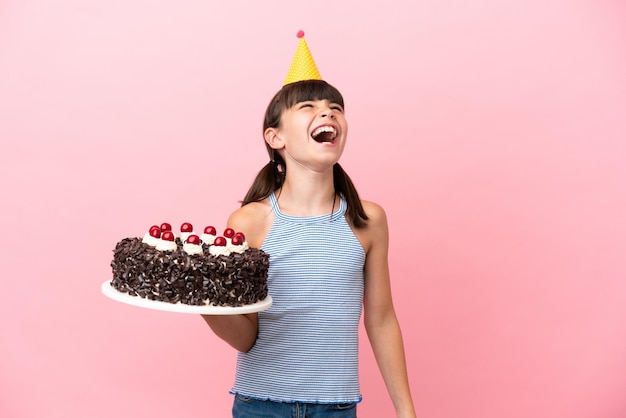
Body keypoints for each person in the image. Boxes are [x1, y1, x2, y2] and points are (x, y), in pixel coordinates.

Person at [203, 33, 416, 418]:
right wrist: (206, 305)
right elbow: (246, 336)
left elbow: (381, 319)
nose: (328, 112)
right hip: (259, 405)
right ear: (275, 136)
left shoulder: (367, 221)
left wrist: (406, 412)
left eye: (336, 107)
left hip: (336, 407)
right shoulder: (249, 222)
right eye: (308, 106)